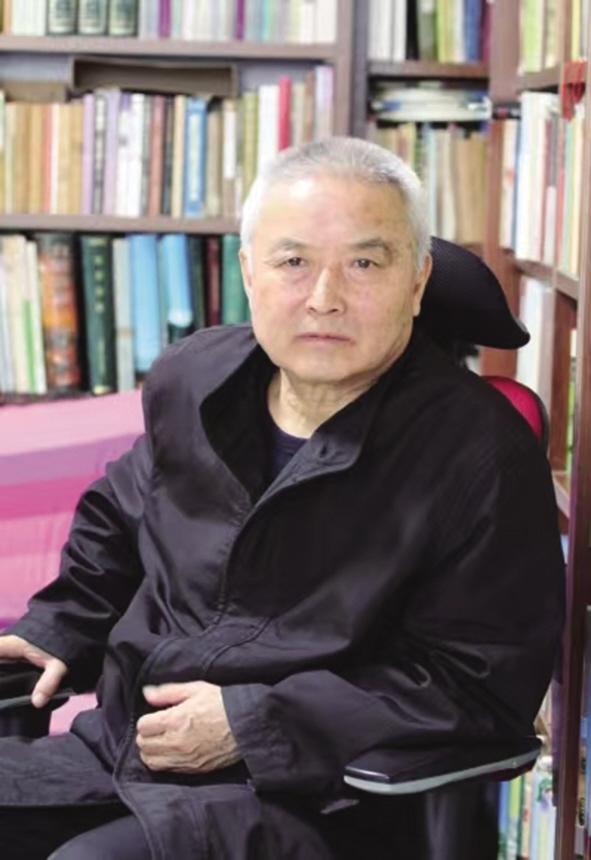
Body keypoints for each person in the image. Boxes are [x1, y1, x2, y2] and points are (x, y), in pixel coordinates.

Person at [0, 137, 564, 859]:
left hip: (319, 794)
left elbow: (479, 683)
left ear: (417, 280)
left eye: (364, 264)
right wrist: (61, 626)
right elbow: (121, 517)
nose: (324, 297)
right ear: (248, 272)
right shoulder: (195, 379)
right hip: (124, 753)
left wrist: (253, 723)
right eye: (293, 262)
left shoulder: (479, 452)